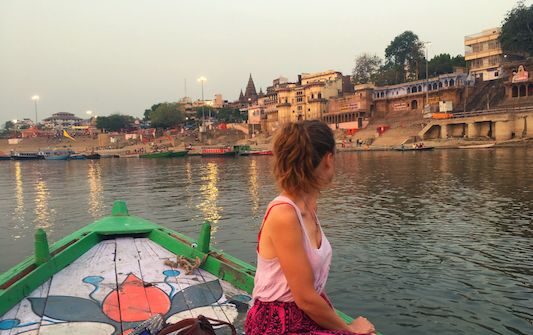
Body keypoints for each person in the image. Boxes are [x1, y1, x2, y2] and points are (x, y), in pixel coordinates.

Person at [245, 120, 376, 335]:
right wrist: (350, 329)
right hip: (276, 324)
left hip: (301, 315)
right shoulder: (284, 214)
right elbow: (305, 297)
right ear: (328, 159)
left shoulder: (308, 206)